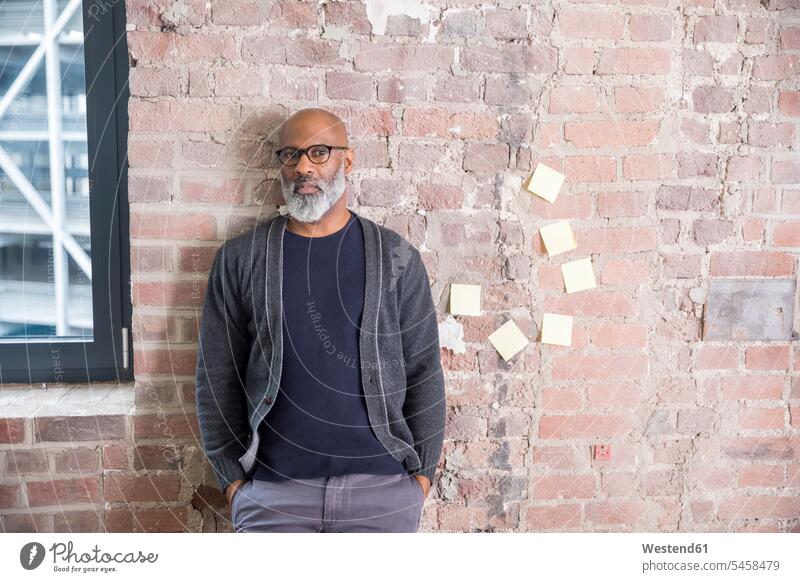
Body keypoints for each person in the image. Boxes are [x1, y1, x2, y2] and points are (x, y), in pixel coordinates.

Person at [195, 108, 446, 532]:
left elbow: (424, 371)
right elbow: (216, 377)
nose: (303, 167)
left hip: (383, 495)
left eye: (318, 152)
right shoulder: (241, 260)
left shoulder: (397, 259)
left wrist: (420, 479)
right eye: (290, 155)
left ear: (347, 160)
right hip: (273, 497)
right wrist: (233, 483)